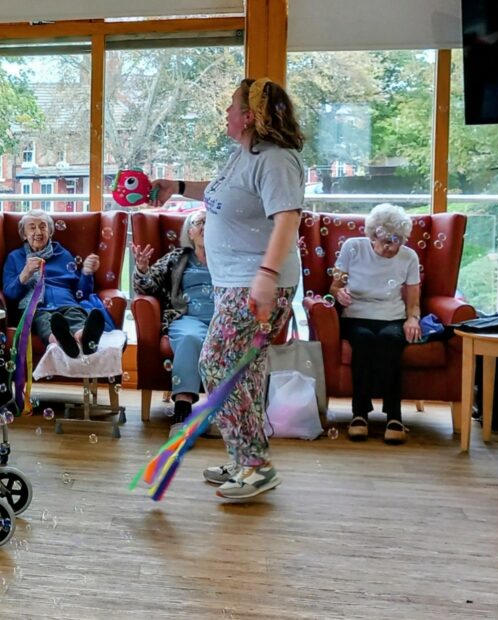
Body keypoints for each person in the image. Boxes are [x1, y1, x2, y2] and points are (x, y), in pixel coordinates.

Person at [152, 77, 305, 500]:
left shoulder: (276, 160)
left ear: (250, 116)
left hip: (254, 284)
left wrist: (266, 276)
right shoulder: (244, 155)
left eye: (232, 106)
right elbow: (222, 196)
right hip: (233, 282)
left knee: (217, 365)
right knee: (246, 371)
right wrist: (178, 188)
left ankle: (255, 465)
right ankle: (245, 459)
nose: (226, 113)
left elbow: (287, 220)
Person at [330, 203, 421, 444]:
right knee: (364, 340)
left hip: (392, 317)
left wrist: (413, 318)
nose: (391, 248)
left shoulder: (409, 256)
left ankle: (394, 416)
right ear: (372, 236)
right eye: (386, 241)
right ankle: (359, 414)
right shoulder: (353, 248)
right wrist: (339, 294)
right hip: (356, 315)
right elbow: (335, 286)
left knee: (390, 339)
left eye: (396, 241)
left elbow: (413, 298)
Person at [131, 209, 213, 432]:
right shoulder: (177, 258)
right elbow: (145, 287)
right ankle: (183, 409)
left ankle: (228, 414)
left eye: (211, 221)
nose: (206, 226)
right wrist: (142, 268)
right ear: (190, 232)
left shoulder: (231, 257)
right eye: (200, 223)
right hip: (188, 318)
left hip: (223, 319)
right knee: (188, 338)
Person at [2, 209, 106, 358]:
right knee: (42, 321)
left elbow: (81, 293)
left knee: (75, 314)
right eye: (32, 227)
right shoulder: (15, 258)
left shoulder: (64, 255)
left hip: (67, 302)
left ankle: (84, 337)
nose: (38, 231)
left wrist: (87, 272)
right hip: (34, 307)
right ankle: (61, 341)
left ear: (50, 231)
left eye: (43, 226)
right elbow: (10, 293)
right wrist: (25, 274)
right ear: (24, 235)